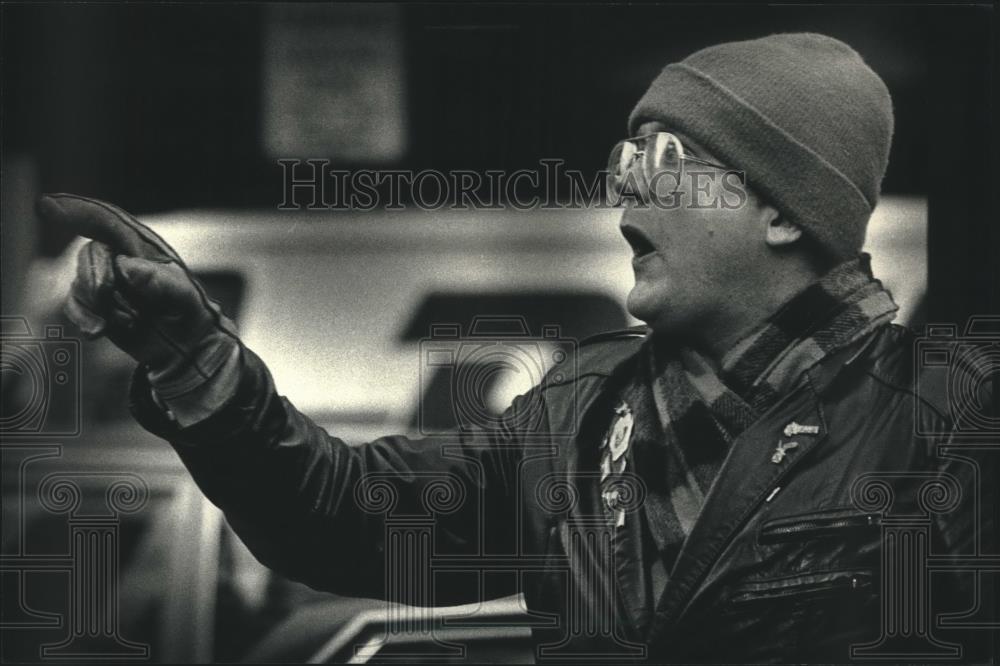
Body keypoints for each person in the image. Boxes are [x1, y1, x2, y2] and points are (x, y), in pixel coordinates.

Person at [45, 33, 993, 663]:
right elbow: (337, 515)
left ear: (783, 208)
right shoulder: (580, 415)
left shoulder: (948, 419)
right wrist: (194, 358)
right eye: (624, 166)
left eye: (661, 163)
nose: (625, 199)